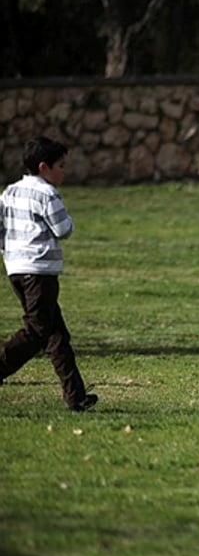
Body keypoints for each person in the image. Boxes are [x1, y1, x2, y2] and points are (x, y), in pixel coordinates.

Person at [0, 137, 98, 412]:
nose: (64, 171)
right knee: (38, 332)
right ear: (44, 167)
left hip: (16, 269)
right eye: (61, 166)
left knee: (57, 336)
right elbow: (62, 229)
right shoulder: (48, 194)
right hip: (39, 272)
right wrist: (71, 221)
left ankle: (76, 396)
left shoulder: (9, 192)